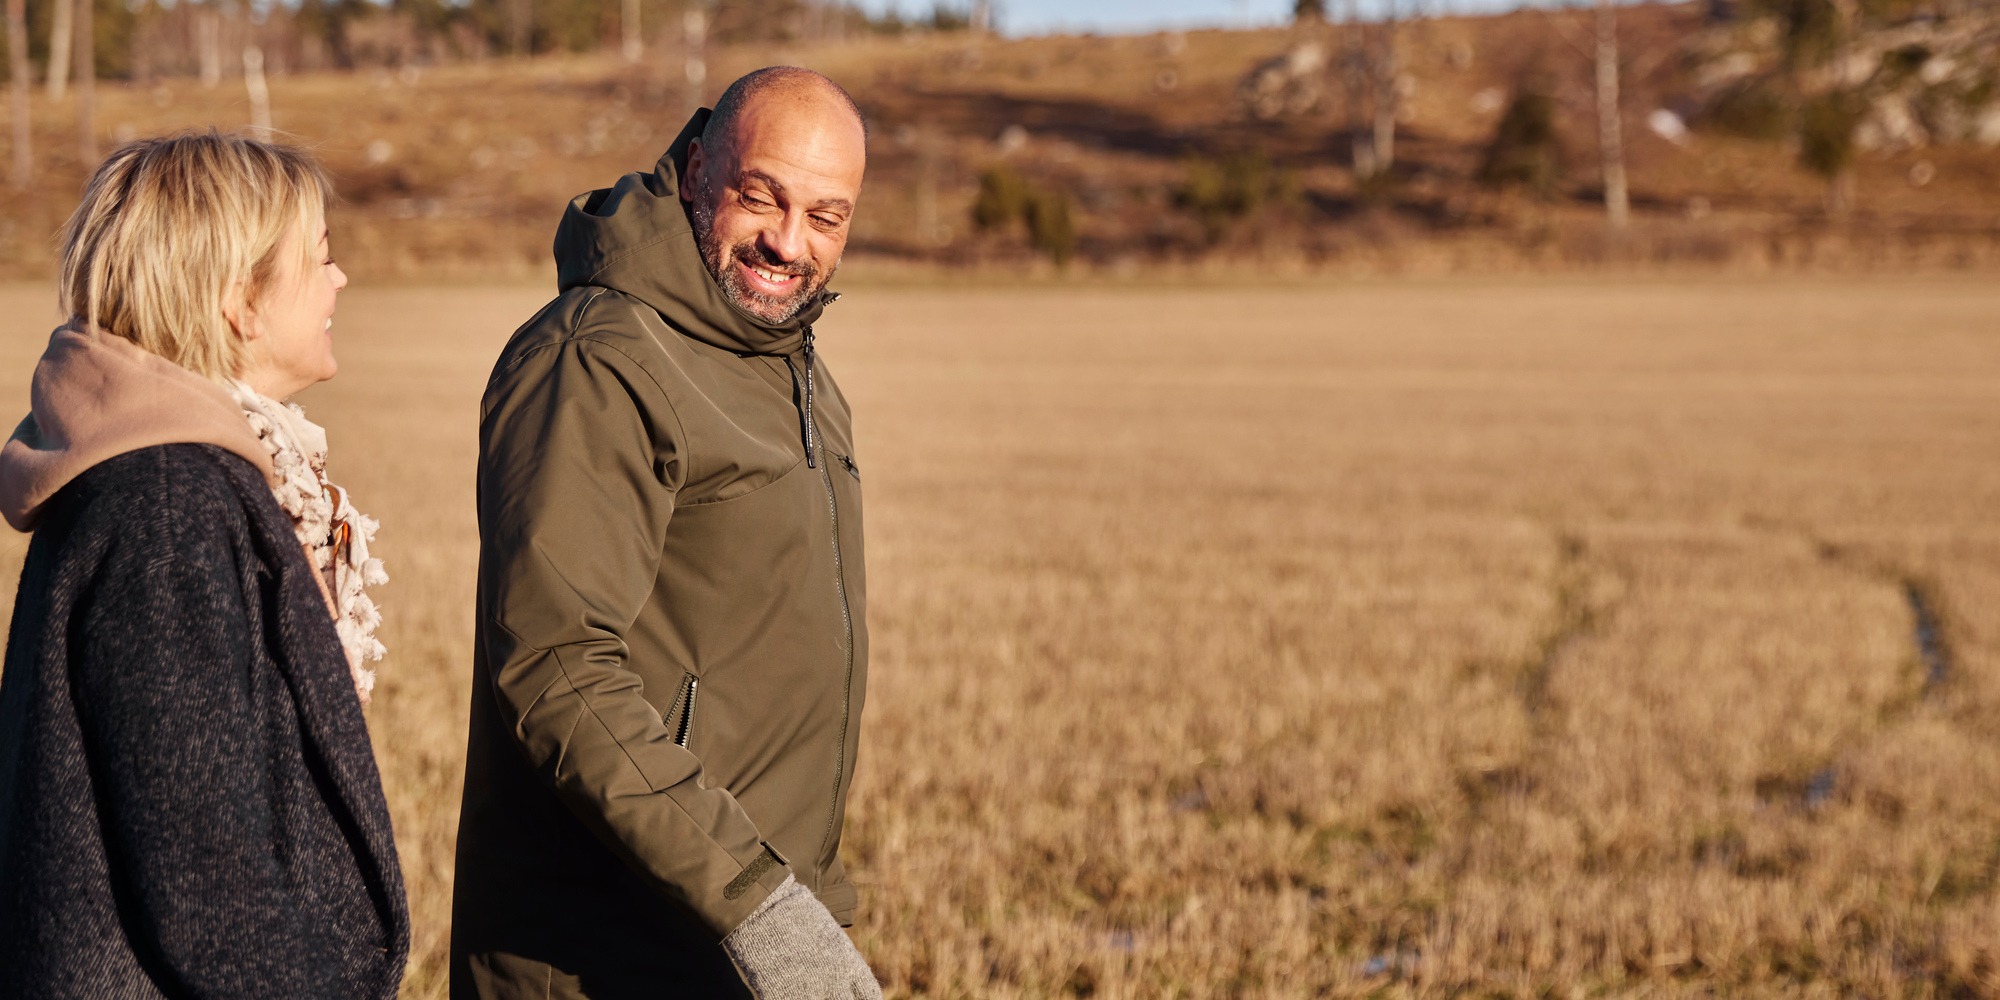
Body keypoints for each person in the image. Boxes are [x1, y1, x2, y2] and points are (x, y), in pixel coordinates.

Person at [452, 67, 880, 999]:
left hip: (732, 937)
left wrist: (801, 912)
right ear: (694, 173)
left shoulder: (791, 365)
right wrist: (758, 909)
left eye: (826, 216)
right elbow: (558, 669)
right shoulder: (600, 358)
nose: (788, 242)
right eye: (760, 197)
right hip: (609, 954)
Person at [0, 131, 406, 998]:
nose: (339, 281)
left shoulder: (164, 478)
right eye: (320, 258)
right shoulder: (168, 505)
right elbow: (208, 882)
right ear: (238, 301)